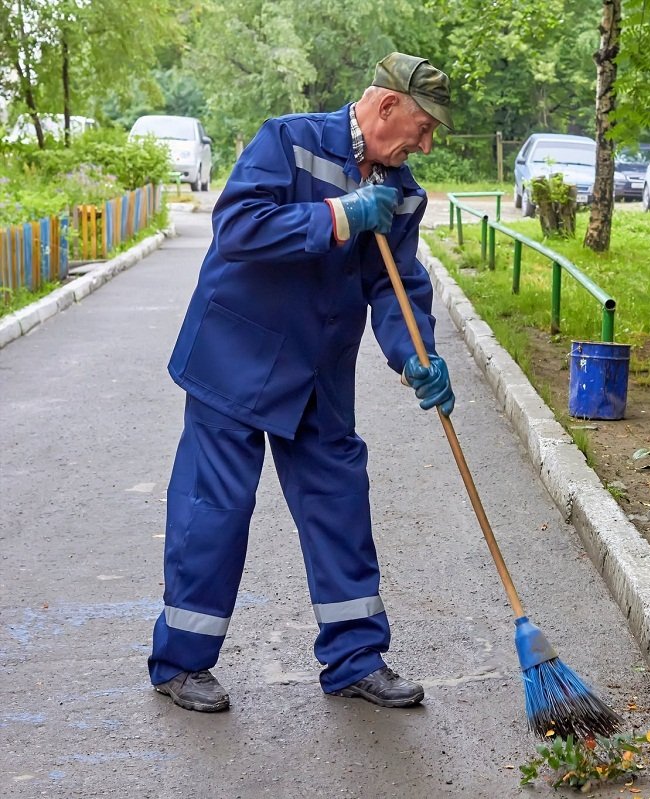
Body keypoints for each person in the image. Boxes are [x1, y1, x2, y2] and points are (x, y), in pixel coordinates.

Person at [148, 52, 456, 713]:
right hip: (236, 353)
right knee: (217, 508)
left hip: (318, 369)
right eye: (423, 127)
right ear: (385, 108)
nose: (426, 145)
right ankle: (181, 660)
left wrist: (416, 357)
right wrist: (342, 215)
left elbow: (395, 287)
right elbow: (238, 229)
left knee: (339, 503)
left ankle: (354, 659)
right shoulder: (287, 141)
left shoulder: (403, 192)